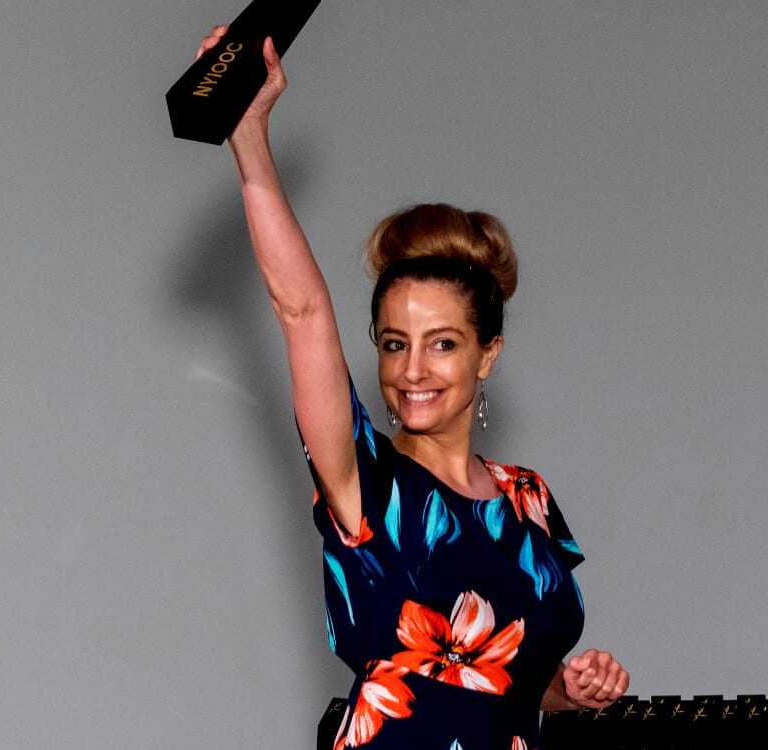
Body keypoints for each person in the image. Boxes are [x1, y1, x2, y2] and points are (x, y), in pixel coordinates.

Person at [196, 25, 630, 750]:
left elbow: (513, 680)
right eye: (395, 344)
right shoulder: (365, 483)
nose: (412, 370)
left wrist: (571, 690)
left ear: (488, 354)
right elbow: (301, 310)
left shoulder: (529, 498)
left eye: (444, 344)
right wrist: (249, 137)